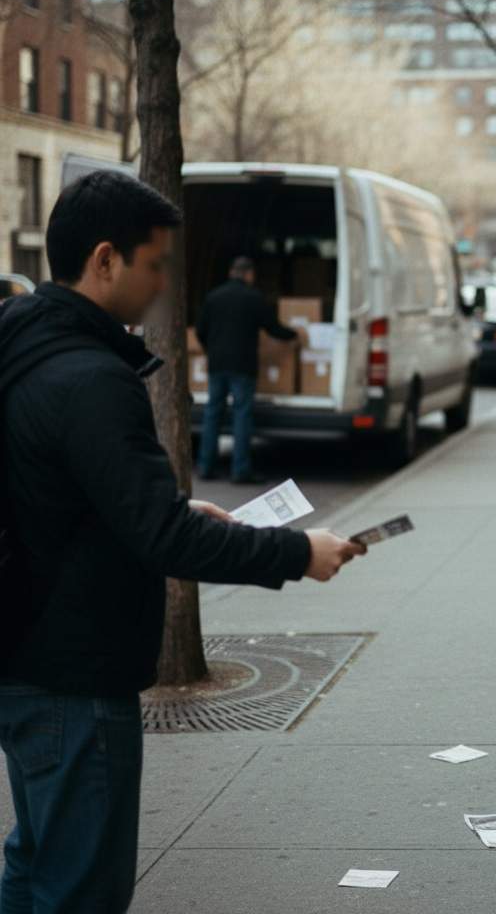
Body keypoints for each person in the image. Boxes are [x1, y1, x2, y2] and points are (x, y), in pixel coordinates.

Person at [0, 171, 366, 913]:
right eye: (156, 264)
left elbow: (49, 484)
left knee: (34, 863)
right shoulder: (91, 377)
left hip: (22, 652)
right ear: (106, 260)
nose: (166, 283)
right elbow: (165, 541)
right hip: (75, 670)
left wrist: (162, 502)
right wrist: (299, 555)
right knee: (78, 890)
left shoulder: (21, 342)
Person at [195, 256, 299, 484]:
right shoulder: (254, 298)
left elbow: (200, 330)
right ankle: (240, 470)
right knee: (241, 415)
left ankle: (205, 466)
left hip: (217, 364)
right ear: (249, 274)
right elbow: (273, 328)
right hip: (242, 366)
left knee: (212, 413)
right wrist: (296, 335)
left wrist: (210, 350)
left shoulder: (214, 297)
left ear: (232, 272)